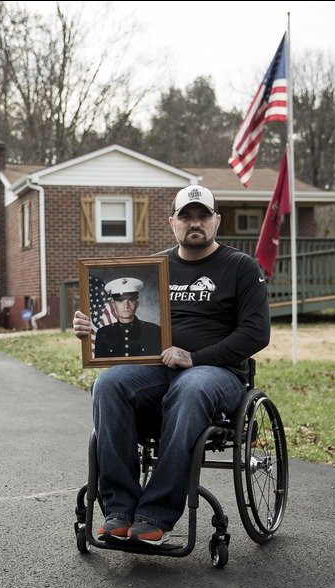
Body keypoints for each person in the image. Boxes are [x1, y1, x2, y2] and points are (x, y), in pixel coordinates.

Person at [73, 184, 270, 545]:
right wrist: (90, 331)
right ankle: (119, 509)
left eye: (203, 216)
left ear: (216, 221)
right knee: (109, 384)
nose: (195, 223)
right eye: (186, 216)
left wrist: (196, 358)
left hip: (220, 375)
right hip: (157, 370)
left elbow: (257, 334)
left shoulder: (241, 267)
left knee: (190, 387)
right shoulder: (157, 266)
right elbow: (128, 329)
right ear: (173, 223)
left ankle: (155, 514)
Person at [94, 277, 162, 358]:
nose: (126, 305)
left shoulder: (154, 331)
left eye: (131, 300)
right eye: (120, 300)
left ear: (137, 304)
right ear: (113, 304)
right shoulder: (103, 333)